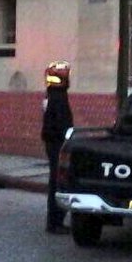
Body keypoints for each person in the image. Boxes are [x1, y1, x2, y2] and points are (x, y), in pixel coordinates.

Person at [41, 60, 74, 234]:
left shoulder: (51, 94)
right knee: (58, 181)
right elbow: (62, 124)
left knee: (55, 180)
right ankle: (55, 222)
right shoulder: (58, 97)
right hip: (57, 143)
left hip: (52, 142)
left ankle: (54, 221)